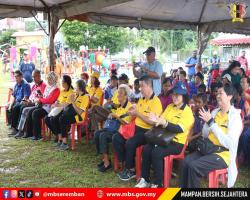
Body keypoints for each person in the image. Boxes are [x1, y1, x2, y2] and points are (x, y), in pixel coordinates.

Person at [181, 83, 242, 188]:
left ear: (229, 96)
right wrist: (206, 124)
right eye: (217, 93)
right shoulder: (214, 112)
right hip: (208, 148)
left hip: (223, 154)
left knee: (194, 166)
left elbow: (229, 143)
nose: (217, 96)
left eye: (220, 93)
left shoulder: (235, 117)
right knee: (185, 162)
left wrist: (212, 123)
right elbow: (205, 135)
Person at [135, 81, 194, 188]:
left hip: (176, 143)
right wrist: (156, 119)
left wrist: (164, 123)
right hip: (163, 139)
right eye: (173, 94)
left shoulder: (187, 111)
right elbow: (161, 119)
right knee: (147, 149)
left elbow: (179, 129)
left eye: (178, 94)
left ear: (184, 96)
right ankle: (145, 179)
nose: (175, 97)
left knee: (157, 152)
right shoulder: (170, 106)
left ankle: (159, 183)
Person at [118, 75, 162, 181]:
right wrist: (132, 112)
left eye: (142, 86)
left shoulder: (156, 102)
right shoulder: (142, 100)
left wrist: (138, 113)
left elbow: (153, 122)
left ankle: (131, 170)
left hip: (147, 132)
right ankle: (124, 164)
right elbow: (136, 113)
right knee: (117, 138)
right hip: (136, 128)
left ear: (148, 86)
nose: (140, 88)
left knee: (130, 143)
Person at [95, 84, 132, 172]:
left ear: (126, 96)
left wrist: (116, 116)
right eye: (118, 93)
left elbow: (125, 122)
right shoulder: (119, 105)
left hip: (122, 131)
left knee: (103, 135)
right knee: (97, 134)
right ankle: (105, 158)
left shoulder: (129, 107)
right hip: (114, 128)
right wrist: (112, 114)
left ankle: (107, 163)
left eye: (120, 93)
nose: (118, 95)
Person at [52, 80, 90, 150]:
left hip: (78, 117)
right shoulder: (76, 95)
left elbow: (80, 112)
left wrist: (72, 102)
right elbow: (68, 105)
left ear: (80, 88)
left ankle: (65, 143)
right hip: (71, 113)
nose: (75, 88)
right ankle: (60, 140)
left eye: (76, 86)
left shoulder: (85, 97)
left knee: (62, 119)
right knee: (55, 117)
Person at [25, 72, 60, 140]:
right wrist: (41, 96)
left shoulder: (56, 89)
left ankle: (37, 135)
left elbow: (50, 100)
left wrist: (40, 99)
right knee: (31, 111)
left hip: (50, 108)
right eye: (48, 79)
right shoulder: (48, 87)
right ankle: (31, 133)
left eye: (50, 79)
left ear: (54, 79)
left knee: (35, 113)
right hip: (44, 105)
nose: (48, 81)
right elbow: (45, 97)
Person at [14, 70, 47, 138]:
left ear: (39, 76)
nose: (33, 79)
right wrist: (27, 100)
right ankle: (23, 131)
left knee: (25, 109)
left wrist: (32, 101)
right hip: (31, 103)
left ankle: (24, 131)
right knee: (22, 106)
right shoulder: (34, 86)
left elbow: (42, 98)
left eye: (35, 77)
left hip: (39, 105)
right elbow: (31, 96)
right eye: (33, 77)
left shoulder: (44, 86)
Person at [44, 75, 74, 140]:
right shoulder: (62, 91)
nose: (61, 83)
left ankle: (60, 137)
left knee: (53, 119)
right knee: (46, 119)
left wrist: (58, 105)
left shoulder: (71, 92)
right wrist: (55, 103)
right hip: (58, 109)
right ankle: (57, 134)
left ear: (66, 82)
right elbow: (58, 100)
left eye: (62, 81)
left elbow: (67, 104)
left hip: (65, 110)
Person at [7, 70, 31, 136]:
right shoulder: (16, 84)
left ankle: (16, 128)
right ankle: (12, 126)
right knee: (9, 106)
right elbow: (14, 96)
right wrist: (10, 104)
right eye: (15, 77)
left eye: (17, 76)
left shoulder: (25, 85)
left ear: (21, 76)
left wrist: (20, 102)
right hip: (17, 101)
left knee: (16, 107)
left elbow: (26, 97)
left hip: (22, 102)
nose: (16, 78)